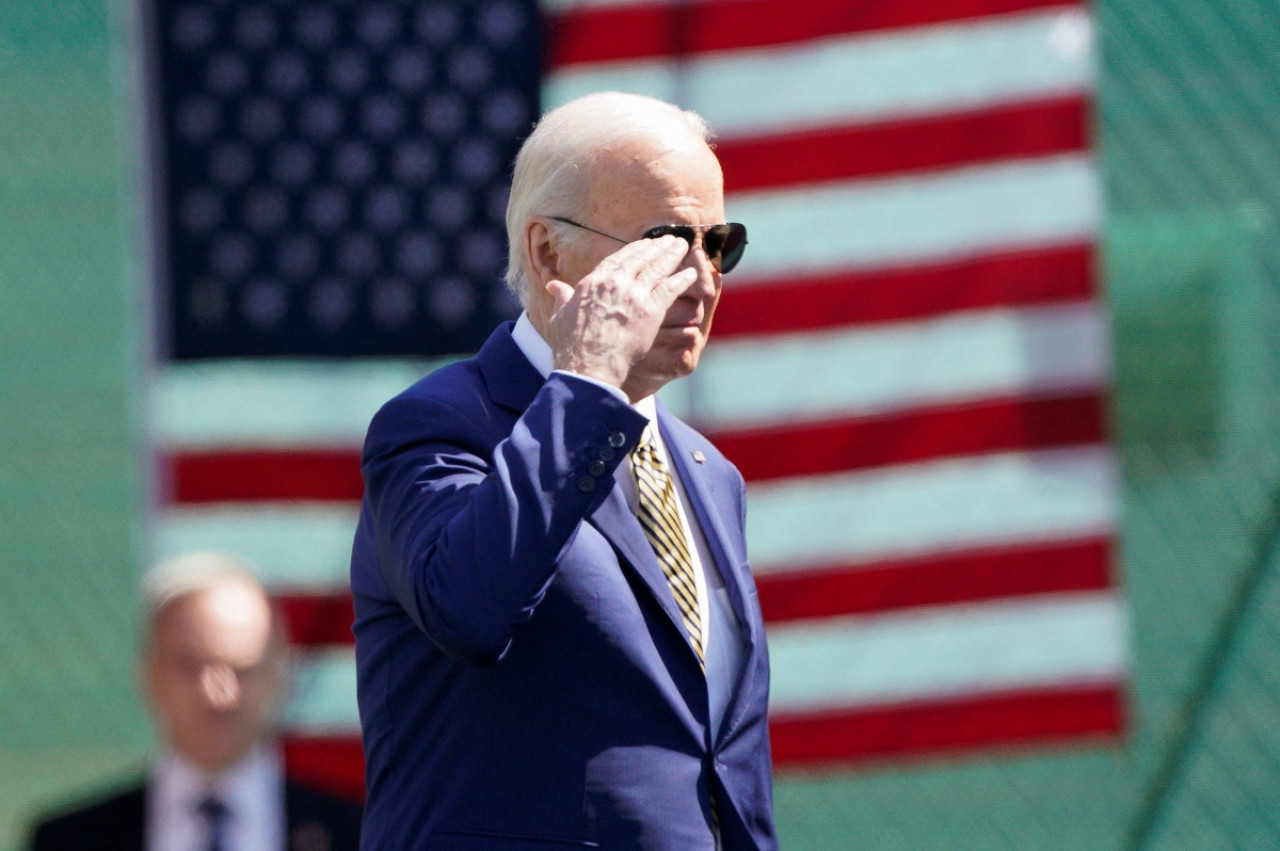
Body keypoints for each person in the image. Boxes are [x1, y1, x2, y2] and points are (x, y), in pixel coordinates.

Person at [351, 91, 776, 849]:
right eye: (668, 243)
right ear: (547, 250)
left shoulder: (711, 474)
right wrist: (584, 386)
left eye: (720, 244)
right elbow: (470, 607)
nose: (704, 279)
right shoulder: (439, 424)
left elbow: (719, 767)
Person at [30, 551, 362, 851]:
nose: (219, 694)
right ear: (150, 676)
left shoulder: (359, 835)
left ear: (280, 675)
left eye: (242, 668)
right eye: (191, 667)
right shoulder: (70, 840)